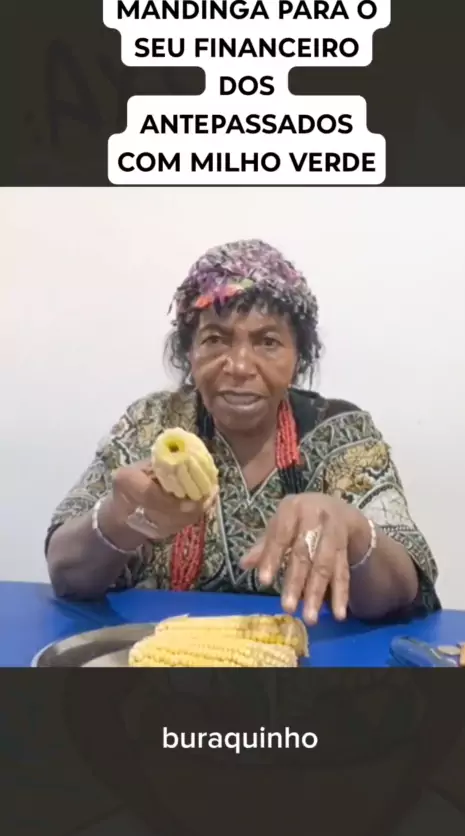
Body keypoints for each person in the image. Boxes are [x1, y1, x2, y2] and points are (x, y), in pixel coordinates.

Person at [46, 239, 440, 624]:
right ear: (189, 352)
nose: (238, 366)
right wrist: (118, 518)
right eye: (215, 339)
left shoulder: (340, 433)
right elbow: (66, 573)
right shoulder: (151, 424)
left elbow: (404, 587)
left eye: (268, 342)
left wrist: (355, 532)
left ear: (298, 357)